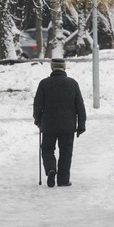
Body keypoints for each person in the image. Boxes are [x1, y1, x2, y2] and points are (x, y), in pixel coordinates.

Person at [33, 58, 86, 187]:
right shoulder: (72, 83)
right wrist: (81, 125)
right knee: (66, 152)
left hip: (48, 124)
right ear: (64, 68)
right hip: (68, 125)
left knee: (47, 149)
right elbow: (80, 105)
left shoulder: (44, 84)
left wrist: (37, 119)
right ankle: (63, 180)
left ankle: (51, 169)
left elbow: (37, 104)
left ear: (52, 68)